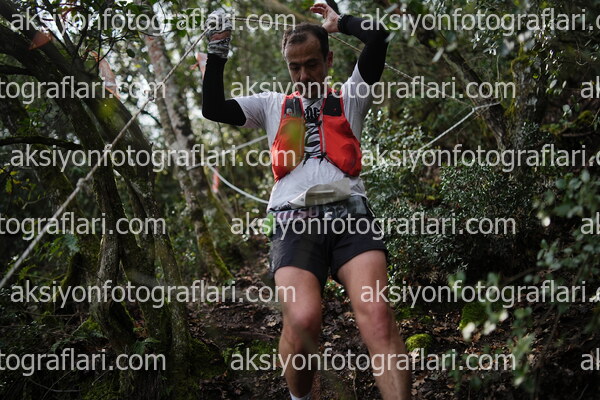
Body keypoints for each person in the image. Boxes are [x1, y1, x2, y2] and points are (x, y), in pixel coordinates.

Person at [202, 4, 411, 399]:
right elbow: (212, 108)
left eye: (312, 64)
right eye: (294, 67)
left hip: (351, 216)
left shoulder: (351, 95)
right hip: (293, 219)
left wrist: (339, 23)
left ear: (328, 61)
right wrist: (218, 50)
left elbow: (380, 37)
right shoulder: (270, 105)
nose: (303, 76)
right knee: (303, 321)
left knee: (378, 316)